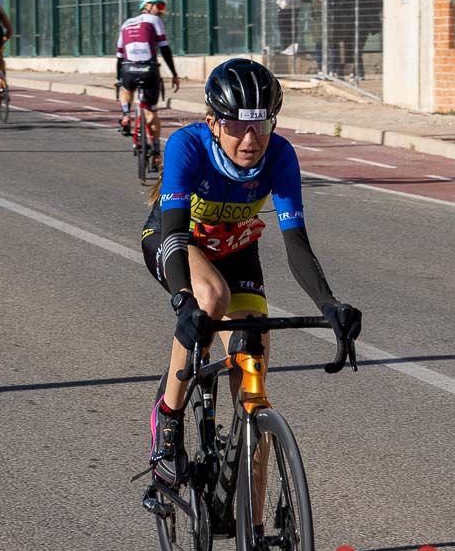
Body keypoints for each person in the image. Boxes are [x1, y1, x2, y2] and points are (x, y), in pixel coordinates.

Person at [140, 58, 361, 488]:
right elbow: (173, 236)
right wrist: (183, 299)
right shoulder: (188, 146)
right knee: (210, 299)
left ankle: (253, 543)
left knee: (253, 381)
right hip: (178, 244)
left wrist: (329, 303)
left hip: (237, 249)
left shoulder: (280, 155)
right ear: (213, 123)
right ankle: (167, 422)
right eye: (238, 125)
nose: (251, 137)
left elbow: (296, 242)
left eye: (261, 124)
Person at [116, 0, 180, 171]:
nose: (162, 11)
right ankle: (157, 153)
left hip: (128, 68)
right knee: (151, 114)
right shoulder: (154, 21)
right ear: (148, 6)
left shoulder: (126, 23)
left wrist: (118, 78)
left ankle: (126, 114)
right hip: (149, 69)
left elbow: (120, 56)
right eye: (160, 7)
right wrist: (174, 73)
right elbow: (164, 49)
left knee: (125, 89)